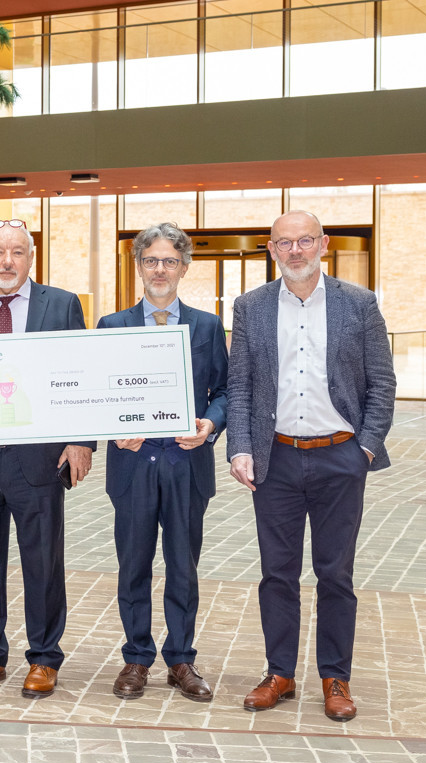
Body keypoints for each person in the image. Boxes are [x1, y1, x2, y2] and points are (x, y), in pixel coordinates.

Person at [229, 210, 395, 722]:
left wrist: (363, 448)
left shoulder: (358, 304)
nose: (295, 250)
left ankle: (334, 677)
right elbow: (240, 386)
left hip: (339, 457)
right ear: (272, 249)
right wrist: (240, 448)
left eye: (304, 241)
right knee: (277, 574)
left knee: (335, 575)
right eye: (284, 243)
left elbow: (381, 383)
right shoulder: (250, 307)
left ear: (323, 244)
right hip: (274, 459)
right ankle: (279, 673)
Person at [0, 219, 94, 699]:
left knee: (42, 561)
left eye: (18, 253)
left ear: (31, 258)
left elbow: (81, 372)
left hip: (39, 460)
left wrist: (81, 441)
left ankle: (45, 658)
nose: (7, 262)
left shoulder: (62, 304)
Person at [96, 223, 228, 703]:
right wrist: (114, 425)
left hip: (186, 464)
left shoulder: (207, 326)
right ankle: (136, 658)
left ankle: (181, 659)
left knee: (183, 566)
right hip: (132, 465)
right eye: (150, 260)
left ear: (184, 267)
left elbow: (226, 392)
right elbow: (98, 392)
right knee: (133, 565)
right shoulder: (112, 327)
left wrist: (209, 426)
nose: (159, 269)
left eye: (169, 260)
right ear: (139, 266)